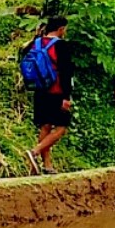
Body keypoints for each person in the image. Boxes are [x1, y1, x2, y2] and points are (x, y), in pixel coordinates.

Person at [27, 17, 73, 175]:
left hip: (39, 91)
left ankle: (47, 165)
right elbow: (66, 72)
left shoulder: (37, 43)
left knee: (45, 126)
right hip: (56, 92)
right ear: (61, 29)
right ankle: (35, 151)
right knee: (61, 128)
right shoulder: (61, 45)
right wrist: (66, 97)